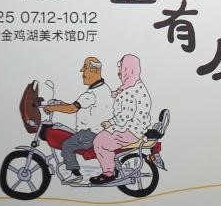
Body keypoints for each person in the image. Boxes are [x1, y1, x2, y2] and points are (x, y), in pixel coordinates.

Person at [42, 55, 114, 185]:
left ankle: (75, 174)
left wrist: (51, 108)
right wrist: (60, 104)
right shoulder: (102, 88)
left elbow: (72, 109)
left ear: (94, 70)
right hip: (98, 131)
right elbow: (77, 106)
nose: (82, 72)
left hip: (90, 133)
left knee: (67, 145)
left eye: (85, 69)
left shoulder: (92, 94)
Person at [90, 54, 152, 185]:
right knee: (102, 136)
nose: (119, 72)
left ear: (127, 70)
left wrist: (109, 123)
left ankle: (108, 173)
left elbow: (124, 117)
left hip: (130, 131)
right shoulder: (134, 85)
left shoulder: (130, 91)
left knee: (100, 142)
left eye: (121, 68)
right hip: (135, 128)